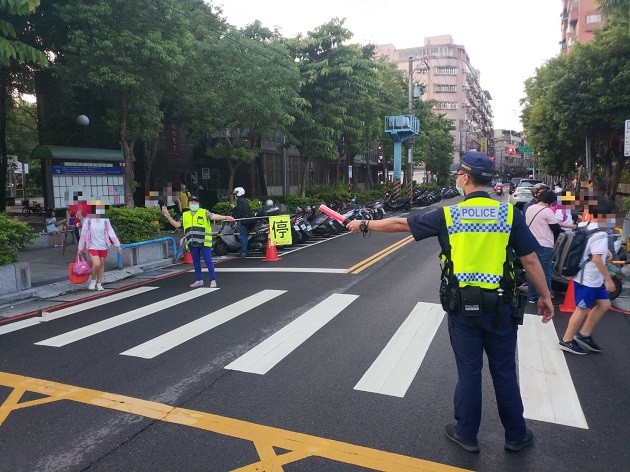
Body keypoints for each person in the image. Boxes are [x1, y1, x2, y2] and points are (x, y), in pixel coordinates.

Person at [346, 151, 554, 453]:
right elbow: (531, 260)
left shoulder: (450, 215)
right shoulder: (509, 214)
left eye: (459, 174)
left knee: (469, 372)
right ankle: (516, 435)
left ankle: (467, 435)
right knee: (505, 372)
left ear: (466, 178)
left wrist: (364, 226)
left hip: (463, 308)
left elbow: (402, 225)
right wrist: (545, 296)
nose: (457, 178)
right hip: (501, 308)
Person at [559, 197, 618, 355]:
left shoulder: (586, 226)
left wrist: (606, 252)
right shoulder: (600, 235)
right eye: (612, 216)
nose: (613, 220)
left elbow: (589, 248)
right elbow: (597, 259)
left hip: (590, 277)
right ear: (604, 216)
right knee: (581, 309)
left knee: (605, 304)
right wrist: (608, 279)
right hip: (589, 278)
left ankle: (584, 335)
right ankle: (566, 340)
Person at [162, 195, 234, 287]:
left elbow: (214, 216)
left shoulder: (204, 212)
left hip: (204, 242)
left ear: (198, 204)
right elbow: (177, 225)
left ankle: (213, 280)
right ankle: (199, 280)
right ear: (188, 204)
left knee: (208, 261)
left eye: (195, 202)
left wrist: (226, 217)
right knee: (196, 262)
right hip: (192, 242)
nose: (194, 204)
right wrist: (168, 216)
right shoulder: (185, 215)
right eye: (192, 202)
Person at [525, 190, 575, 303]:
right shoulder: (547, 211)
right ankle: (546, 296)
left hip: (530, 244)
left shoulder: (530, 208)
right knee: (545, 271)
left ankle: (533, 296)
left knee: (531, 271)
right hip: (544, 245)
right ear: (550, 201)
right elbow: (555, 228)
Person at [77, 202, 123, 291]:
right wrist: (80, 248)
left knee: (101, 264)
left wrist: (117, 245)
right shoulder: (88, 220)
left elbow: (111, 232)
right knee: (96, 264)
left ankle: (99, 283)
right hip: (92, 246)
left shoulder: (105, 220)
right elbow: (83, 235)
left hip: (103, 246)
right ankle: (93, 281)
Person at [232, 187, 252, 258]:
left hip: (242, 220)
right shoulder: (244, 200)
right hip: (246, 220)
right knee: (245, 236)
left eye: (236, 193)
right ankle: (245, 250)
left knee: (242, 236)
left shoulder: (240, 200)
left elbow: (239, 212)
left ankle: (243, 252)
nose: (235, 195)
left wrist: (236, 219)